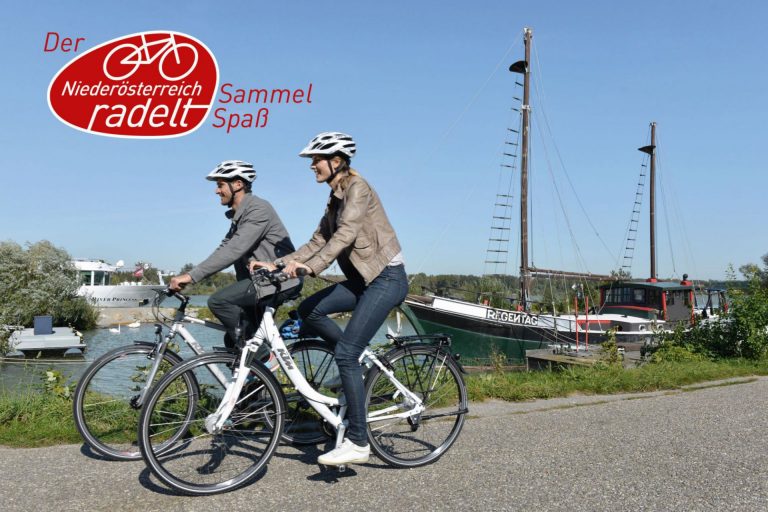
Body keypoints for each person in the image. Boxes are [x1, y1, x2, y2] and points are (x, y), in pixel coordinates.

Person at [252, 132, 408, 466]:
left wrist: (312, 267)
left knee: (346, 353)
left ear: (336, 161)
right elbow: (319, 239)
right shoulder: (335, 197)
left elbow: (345, 234)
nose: (312, 166)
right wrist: (278, 264)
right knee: (309, 310)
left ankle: (358, 441)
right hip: (363, 280)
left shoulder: (357, 188)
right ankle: (357, 365)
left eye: (316, 160)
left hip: (386, 279)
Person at [169, 160, 300, 350]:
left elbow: (234, 249)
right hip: (261, 282)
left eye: (220, 185)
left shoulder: (258, 209)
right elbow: (225, 247)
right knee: (232, 341)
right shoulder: (241, 215)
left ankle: (262, 356)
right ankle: (259, 365)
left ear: (238, 184)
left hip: (278, 280)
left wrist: (191, 276)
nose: (217, 191)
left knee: (219, 301)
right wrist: (190, 277)